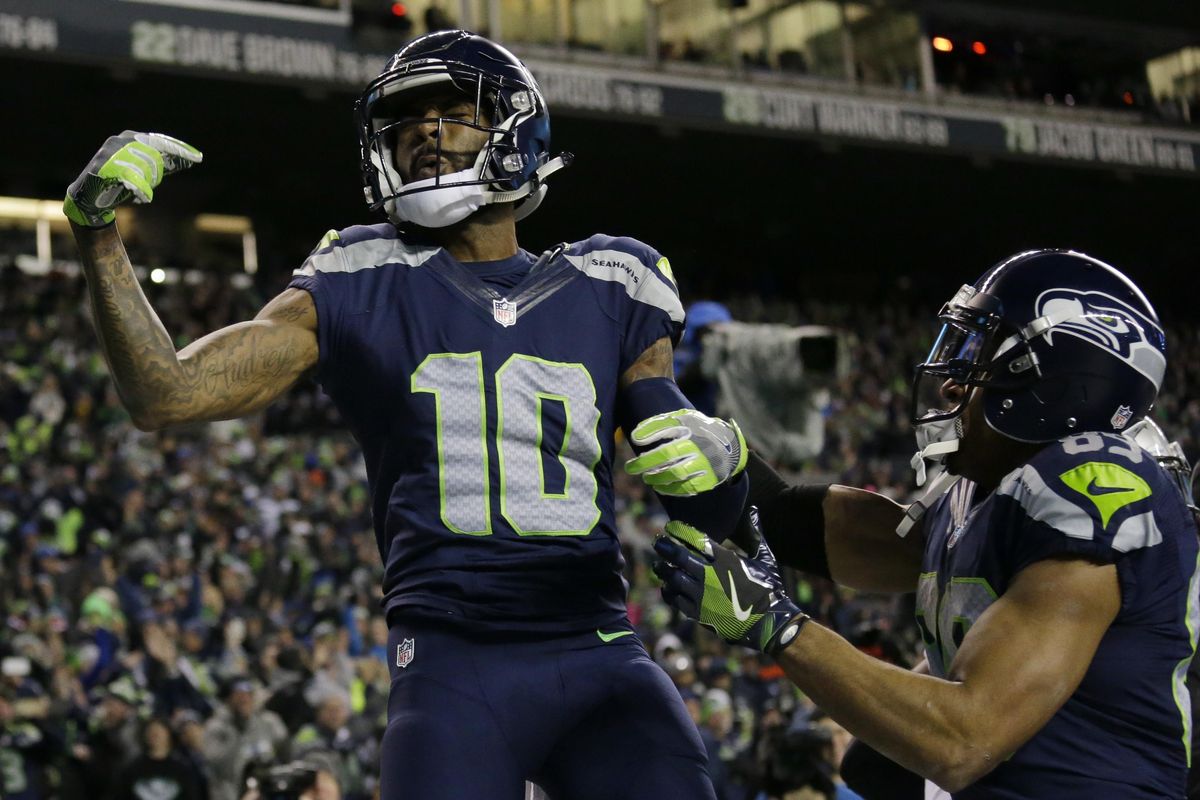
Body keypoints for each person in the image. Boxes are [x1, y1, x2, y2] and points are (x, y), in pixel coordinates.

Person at [64, 29, 750, 800]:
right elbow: (167, 393)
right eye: (407, 120)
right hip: (452, 665)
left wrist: (724, 457)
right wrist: (99, 241)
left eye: (454, 111)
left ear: (520, 127)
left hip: (597, 649)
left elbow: (704, 503)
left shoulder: (614, 279)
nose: (426, 131)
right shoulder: (360, 274)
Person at [633, 250, 1198, 798]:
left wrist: (779, 625)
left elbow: (965, 739)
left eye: (983, 354)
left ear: (1054, 381)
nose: (953, 381)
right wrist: (727, 458)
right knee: (870, 765)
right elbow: (794, 524)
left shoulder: (1096, 483)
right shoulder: (986, 495)